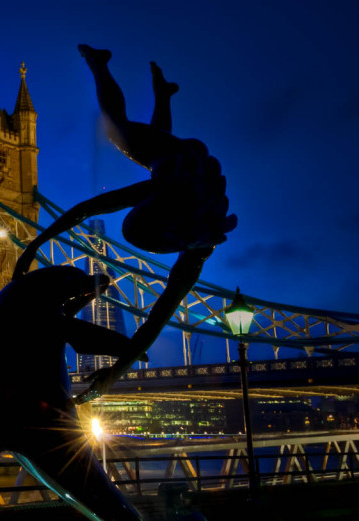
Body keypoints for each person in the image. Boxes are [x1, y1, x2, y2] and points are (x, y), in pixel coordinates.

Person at [17, 45, 237, 403]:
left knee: (148, 149)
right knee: (118, 131)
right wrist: (35, 244)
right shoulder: (186, 224)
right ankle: (100, 65)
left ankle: (151, 90)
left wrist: (38, 243)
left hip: (185, 163)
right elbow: (155, 319)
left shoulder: (193, 232)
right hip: (184, 166)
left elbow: (154, 320)